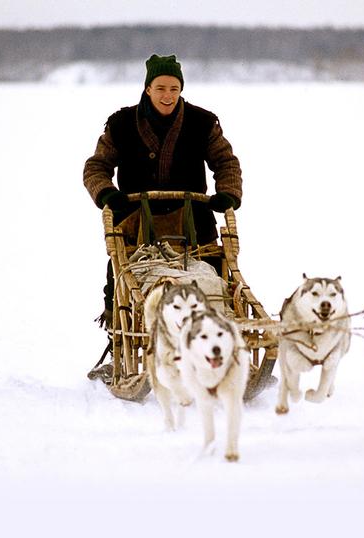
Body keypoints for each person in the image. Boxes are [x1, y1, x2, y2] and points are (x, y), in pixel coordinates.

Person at [83, 53, 243, 370]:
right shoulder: (122, 124)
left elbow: (226, 162)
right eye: (160, 88)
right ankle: (119, 347)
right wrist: (107, 193)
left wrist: (227, 193)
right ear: (147, 89)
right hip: (135, 223)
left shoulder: (202, 122)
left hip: (194, 223)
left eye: (173, 88)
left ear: (180, 89)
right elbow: (96, 166)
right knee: (122, 281)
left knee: (215, 279)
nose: (167, 95)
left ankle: (218, 344)